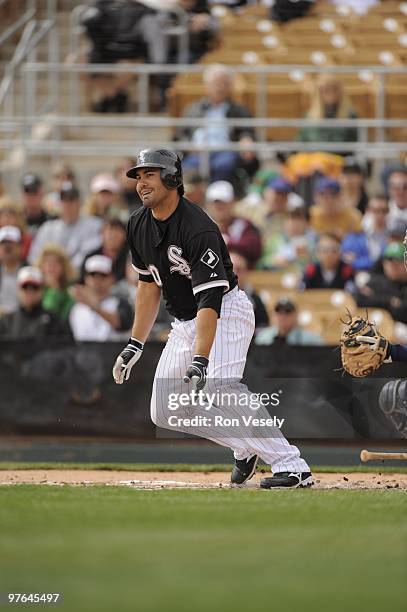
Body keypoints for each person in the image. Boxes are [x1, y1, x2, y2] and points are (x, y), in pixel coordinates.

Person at [112, 147, 313, 489]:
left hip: (225, 312)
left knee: (221, 388)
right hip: (184, 322)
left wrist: (201, 359)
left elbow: (209, 297)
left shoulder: (197, 227)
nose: (142, 182)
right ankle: (243, 447)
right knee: (164, 411)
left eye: (150, 174)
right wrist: (135, 343)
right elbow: (148, 285)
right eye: (138, 176)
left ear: (172, 178)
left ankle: (291, 464)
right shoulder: (137, 224)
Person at [176, 64, 259, 186]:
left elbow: (246, 132)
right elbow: (181, 134)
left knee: (224, 165)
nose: (220, 88)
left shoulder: (239, 110)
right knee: (188, 168)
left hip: (226, 151)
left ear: (230, 86)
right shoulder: (193, 109)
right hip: (197, 152)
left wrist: (246, 140)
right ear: (207, 86)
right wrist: (188, 146)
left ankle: (217, 201)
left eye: (224, 83)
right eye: (216, 83)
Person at [28, 182, 103, 272]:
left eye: (71, 199)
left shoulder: (94, 225)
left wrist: (65, 271)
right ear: (59, 203)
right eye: (64, 200)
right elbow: (34, 257)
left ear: (80, 202)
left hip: (79, 278)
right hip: (49, 279)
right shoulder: (47, 228)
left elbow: (89, 254)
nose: (68, 204)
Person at [69, 255, 133, 341]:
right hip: (83, 353)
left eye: (102, 275)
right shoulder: (76, 308)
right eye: (92, 275)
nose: (97, 280)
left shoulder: (120, 302)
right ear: (86, 278)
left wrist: (93, 306)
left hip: (114, 353)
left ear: (111, 278)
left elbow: (123, 325)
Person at [0, 266, 72, 339]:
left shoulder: (56, 321)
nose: (30, 291)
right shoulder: (6, 322)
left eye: (35, 287)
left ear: (42, 290)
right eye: (25, 287)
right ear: (18, 289)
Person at [205, 180, 262, 268]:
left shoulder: (243, 224)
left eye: (223, 202)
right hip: (208, 273)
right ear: (208, 204)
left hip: (239, 275)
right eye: (215, 203)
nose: (219, 207)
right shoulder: (201, 226)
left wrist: (228, 242)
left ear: (233, 202)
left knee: (234, 261)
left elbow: (255, 249)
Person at [353, 241, 407, 324]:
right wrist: (389, 301)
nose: (392, 266)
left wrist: (374, 297)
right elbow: (359, 299)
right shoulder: (378, 280)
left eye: (397, 263)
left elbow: (401, 312)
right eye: (389, 262)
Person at [298, 75, 358, 148]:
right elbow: (301, 141)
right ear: (319, 93)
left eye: (334, 90)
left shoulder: (350, 116)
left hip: (340, 157)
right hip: (314, 157)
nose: (331, 94)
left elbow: (356, 143)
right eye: (326, 90)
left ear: (340, 92)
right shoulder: (309, 116)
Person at [255, 298, 324, 346]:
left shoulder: (310, 340)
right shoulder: (263, 338)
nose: (282, 316)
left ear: (295, 316)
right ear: (274, 315)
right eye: (279, 312)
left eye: (287, 312)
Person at [35, 244, 76, 320]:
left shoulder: (71, 292)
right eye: (47, 262)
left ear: (64, 267)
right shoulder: (34, 289)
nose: (51, 266)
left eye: (56, 262)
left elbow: (50, 317)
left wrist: (54, 290)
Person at [229, 251, 269, 329]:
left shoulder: (256, 300)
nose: (234, 273)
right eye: (230, 269)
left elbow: (262, 325)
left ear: (246, 272)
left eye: (238, 269)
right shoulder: (214, 297)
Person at [0, 225, 25, 315]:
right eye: (3, 243)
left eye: (11, 243)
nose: (7, 247)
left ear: (20, 247)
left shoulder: (28, 272)